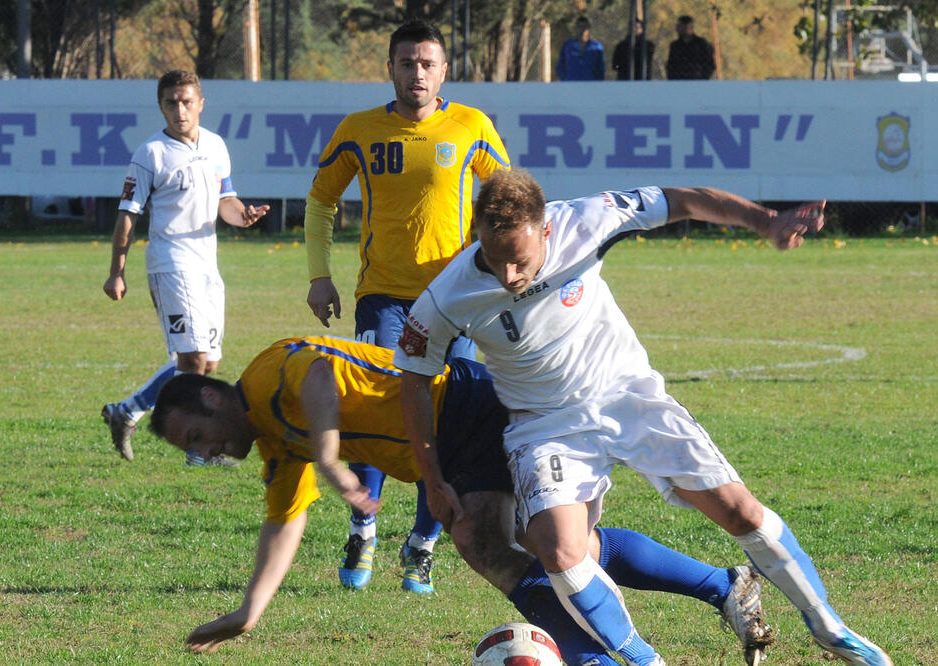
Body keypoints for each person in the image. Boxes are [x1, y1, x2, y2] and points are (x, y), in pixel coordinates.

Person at [394, 169, 893, 666]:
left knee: (740, 511)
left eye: (519, 261)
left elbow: (683, 199)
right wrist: (432, 478)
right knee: (561, 549)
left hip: (628, 396)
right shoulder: (447, 294)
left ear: (546, 229)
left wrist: (765, 222)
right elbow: (413, 378)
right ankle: (645, 660)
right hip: (545, 426)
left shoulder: (585, 220)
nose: (507, 276)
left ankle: (832, 629)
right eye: (494, 259)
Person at [148, 335, 773, 663]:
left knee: (491, 543)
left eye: (197, 437)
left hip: (458, 403)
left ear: (209, 397)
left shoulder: (263, 375)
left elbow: (317, 375)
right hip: (441, 445)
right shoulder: (273, 446)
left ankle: (599, 655)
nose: (204, 451)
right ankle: (722, 586)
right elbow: (283, 524)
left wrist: (331, 455)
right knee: (542, 547)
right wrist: (251, 611)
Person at [303, 19, 510, 594]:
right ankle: (363, 527)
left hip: (455, 301)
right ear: (388, 68)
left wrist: (499, 265)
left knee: (444, 424)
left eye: (427, 63)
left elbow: (506, 200)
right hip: (381, 299)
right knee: (375, 411)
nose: (416, 73)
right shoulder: (360, 130)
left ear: (444, 71)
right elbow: (321, 200)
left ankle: (422, 544)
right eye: (406, 63)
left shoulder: (472, 127)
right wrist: (320, 277)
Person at [101, 69, 268, 466]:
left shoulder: (215, 145)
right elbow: (128, 215)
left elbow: (225, 201)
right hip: (171, 263)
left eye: (187, 101)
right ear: (161, 106)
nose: (180, 109)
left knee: (207, 363)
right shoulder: (150, 154)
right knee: (192, 359)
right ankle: (199, 451)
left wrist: (243, 215)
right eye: (172, 103)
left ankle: (127, 411)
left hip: (207, 264)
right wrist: (116, 271)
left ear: (200, 104)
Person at [666, 15, 716, 80]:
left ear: (688, 26)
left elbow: (710, 65)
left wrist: (702, 79)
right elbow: (670, 66)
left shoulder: (702, 44)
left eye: (679, 26)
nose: (676, 28)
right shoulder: (675, 46)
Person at [556, 16, 606, 81]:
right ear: (576, 28)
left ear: (589, 28)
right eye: (580, 27)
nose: (582, 30)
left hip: (590, 85)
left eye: (585, 27)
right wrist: (565, 78)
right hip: (571, 85)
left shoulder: (596, 47)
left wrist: (596, 82)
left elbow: (601, 69)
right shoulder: (568, 46)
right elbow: (561, 66)